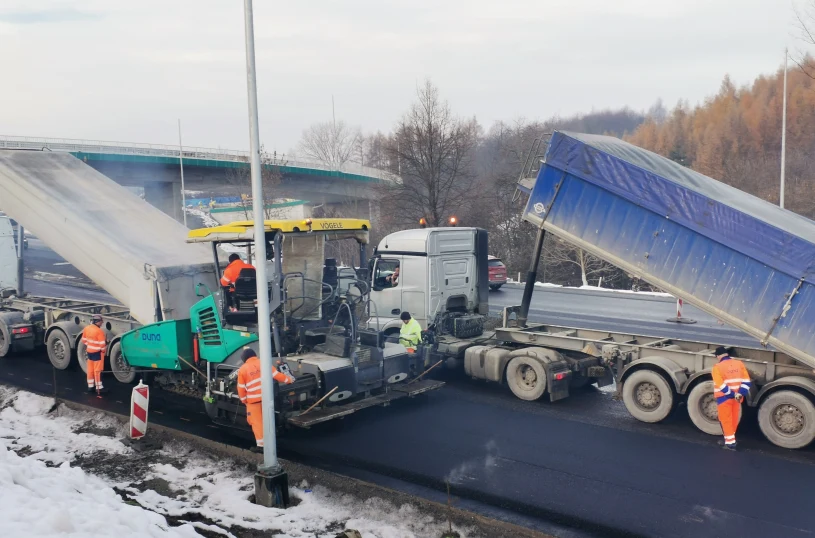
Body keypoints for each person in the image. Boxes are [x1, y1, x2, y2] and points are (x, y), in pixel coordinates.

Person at [236, 348, 295, 452]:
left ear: (244, 358)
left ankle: (261, 447)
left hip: (253, 401)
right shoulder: (264, 363)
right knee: (268, 420)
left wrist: (244, 400)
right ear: (254, 355)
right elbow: (277, 375)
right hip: (267, 398)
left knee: (257, 423)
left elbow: (240, 388)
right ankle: (272, 440)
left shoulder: (243, 369)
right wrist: (289, 379)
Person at [712, 346, 751, 450]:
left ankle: (730, 443)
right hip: (737, 398)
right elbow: (746, 381)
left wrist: (731, 394)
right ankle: (731, 439)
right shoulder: (739, 364)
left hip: (724, 398)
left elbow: (721, 385)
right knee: (734, 419)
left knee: (725, 420)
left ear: (718, 356)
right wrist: (740, 393)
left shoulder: (717, 367)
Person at [82, 314, 107, 395]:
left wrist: (90, 346)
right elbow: (102, 345)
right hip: (97, 353)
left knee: (90, 370)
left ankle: (90, 386)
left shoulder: (87, 328)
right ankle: (99, 388)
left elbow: (84, 340)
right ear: (97, 322)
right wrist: (103, 351)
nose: (102, 323)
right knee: (97, 371)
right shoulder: (99, 331)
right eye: (101, 321)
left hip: (89, 352)